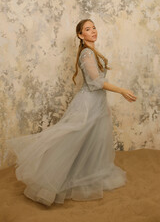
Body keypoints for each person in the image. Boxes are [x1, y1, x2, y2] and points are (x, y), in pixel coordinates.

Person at [6, 19, 137, 207]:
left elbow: (98, 87)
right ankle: (48, 180)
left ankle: (88, 174)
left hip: (97, 103)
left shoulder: (93, 52)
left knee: (93, 140)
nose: (93, 31)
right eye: (87, 29)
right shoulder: (86, 54)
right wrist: (122, 90)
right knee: (71, 139)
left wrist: (105, 107)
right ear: (80, 35)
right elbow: (96, 82)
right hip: (87, 104)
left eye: (94, 28)